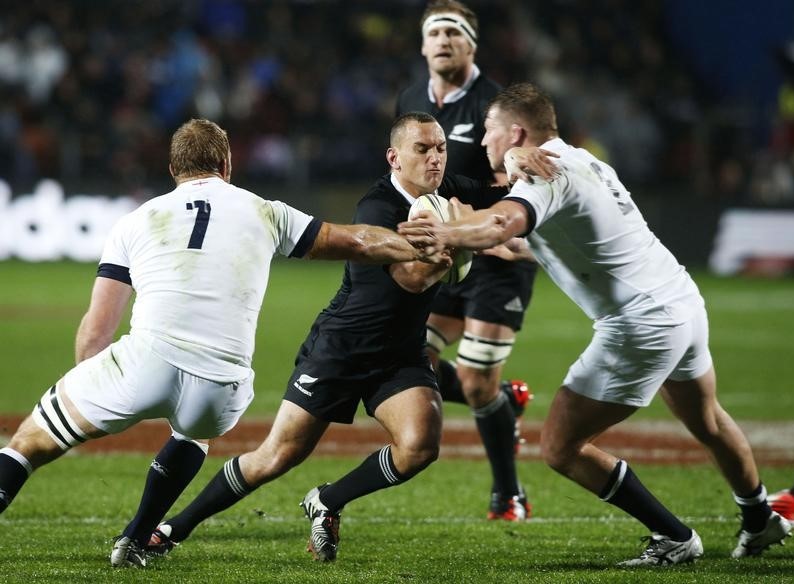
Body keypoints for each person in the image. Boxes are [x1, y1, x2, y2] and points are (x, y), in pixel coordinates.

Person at [0, 118, 446, 569]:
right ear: (228, 164)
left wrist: (92, 394)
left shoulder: (136, 220)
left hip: (147, 360)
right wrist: (421, 245)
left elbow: (98, 329)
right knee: (193, 433)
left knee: (29, 442)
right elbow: (358, 241)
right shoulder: (266, 210)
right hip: (223, 386)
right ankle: (135, 540)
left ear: (173, 167)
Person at [399, 83, 793, 566]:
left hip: (640, 323)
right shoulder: (585, 161)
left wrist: (445, 231)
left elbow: (503, 224)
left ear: (516, 131)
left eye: (489, 132)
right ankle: (759, 520)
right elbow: (548, 236)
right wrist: (487, 228)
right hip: (682, 303)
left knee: (561, 447)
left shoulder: (546, 175)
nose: (482, 143)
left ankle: (673, 537)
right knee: (707, 419)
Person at [144, 112, 550, 563]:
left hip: (400, 354)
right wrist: (463, 244)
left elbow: (512, 200)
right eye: (422, 149)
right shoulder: (376, 207)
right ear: (394, 158)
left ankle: (328, 500)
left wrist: (520, 160)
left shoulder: (450, 190)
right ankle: (171, 528)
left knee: (420, 446)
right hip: (340, 349)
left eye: (440, 148)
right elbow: (411, 280)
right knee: (276, 456)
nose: (435, 158)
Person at [396, 0, 537, 521]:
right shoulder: (412, 99)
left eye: (453, 33)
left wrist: (483, 223)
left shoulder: (493, 104)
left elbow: (515, 176)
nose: (443, 41)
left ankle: (509, 495)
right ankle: (505, 400)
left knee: (477, 382)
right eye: (434, 32)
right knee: (413, 355)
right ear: (423, 44)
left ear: (471, 45)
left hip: (498, 255)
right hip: (445, 253)